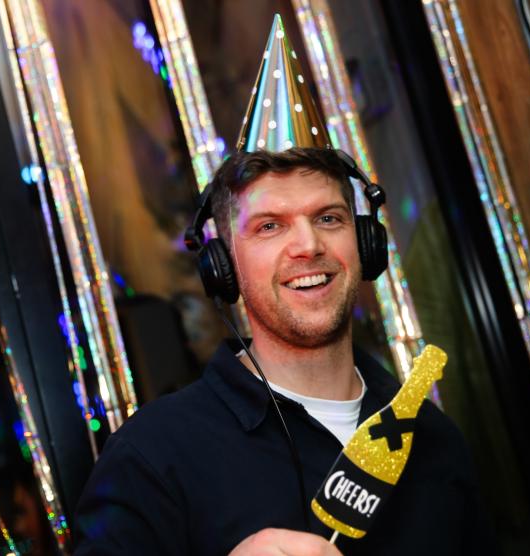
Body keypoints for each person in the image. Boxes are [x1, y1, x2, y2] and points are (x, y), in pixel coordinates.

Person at [74, 148, 493, 555]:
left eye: (328, 218)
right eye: (270, 226)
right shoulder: (152, 453)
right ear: (224, 265)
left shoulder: (434, 438)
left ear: (365, 243)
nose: (308, 245)